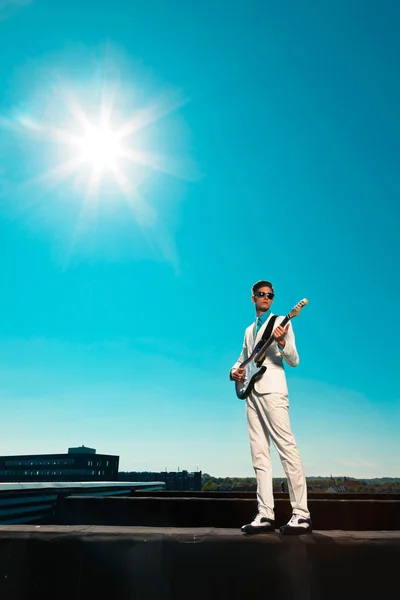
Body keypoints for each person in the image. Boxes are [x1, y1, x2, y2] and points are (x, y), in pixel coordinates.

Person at [230, 280, 312, 535]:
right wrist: (235, 370)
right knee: (259, 456)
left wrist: (282, 343)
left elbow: (295, 360)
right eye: (261, 294)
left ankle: (301, 514)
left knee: (287, 449)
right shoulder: (247, 330)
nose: (266, 298)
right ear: (253, 297)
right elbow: (245, 359)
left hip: (273, 391)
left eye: (270, 295)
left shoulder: (281, 322)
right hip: (251, 393)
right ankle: (265, 514)